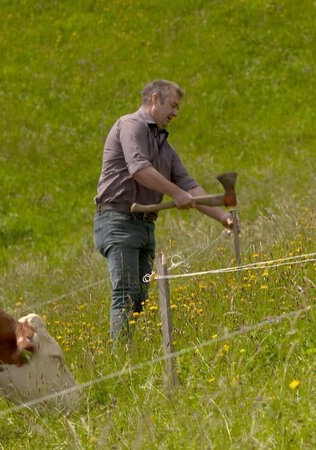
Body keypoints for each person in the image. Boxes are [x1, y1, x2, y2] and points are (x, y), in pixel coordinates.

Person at [94, 80, 233, 341]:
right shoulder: (130, 125)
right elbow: (139, 169)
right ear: (156, 99)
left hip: (145, 226)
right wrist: (176, 193)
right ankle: (120, 357)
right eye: (173, 106)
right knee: (125, 292)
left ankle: (127, 351)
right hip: (118, 221)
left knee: (140, 297)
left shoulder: (164, 147)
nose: (176, 113)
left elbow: (189, 185)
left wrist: (223, 217)